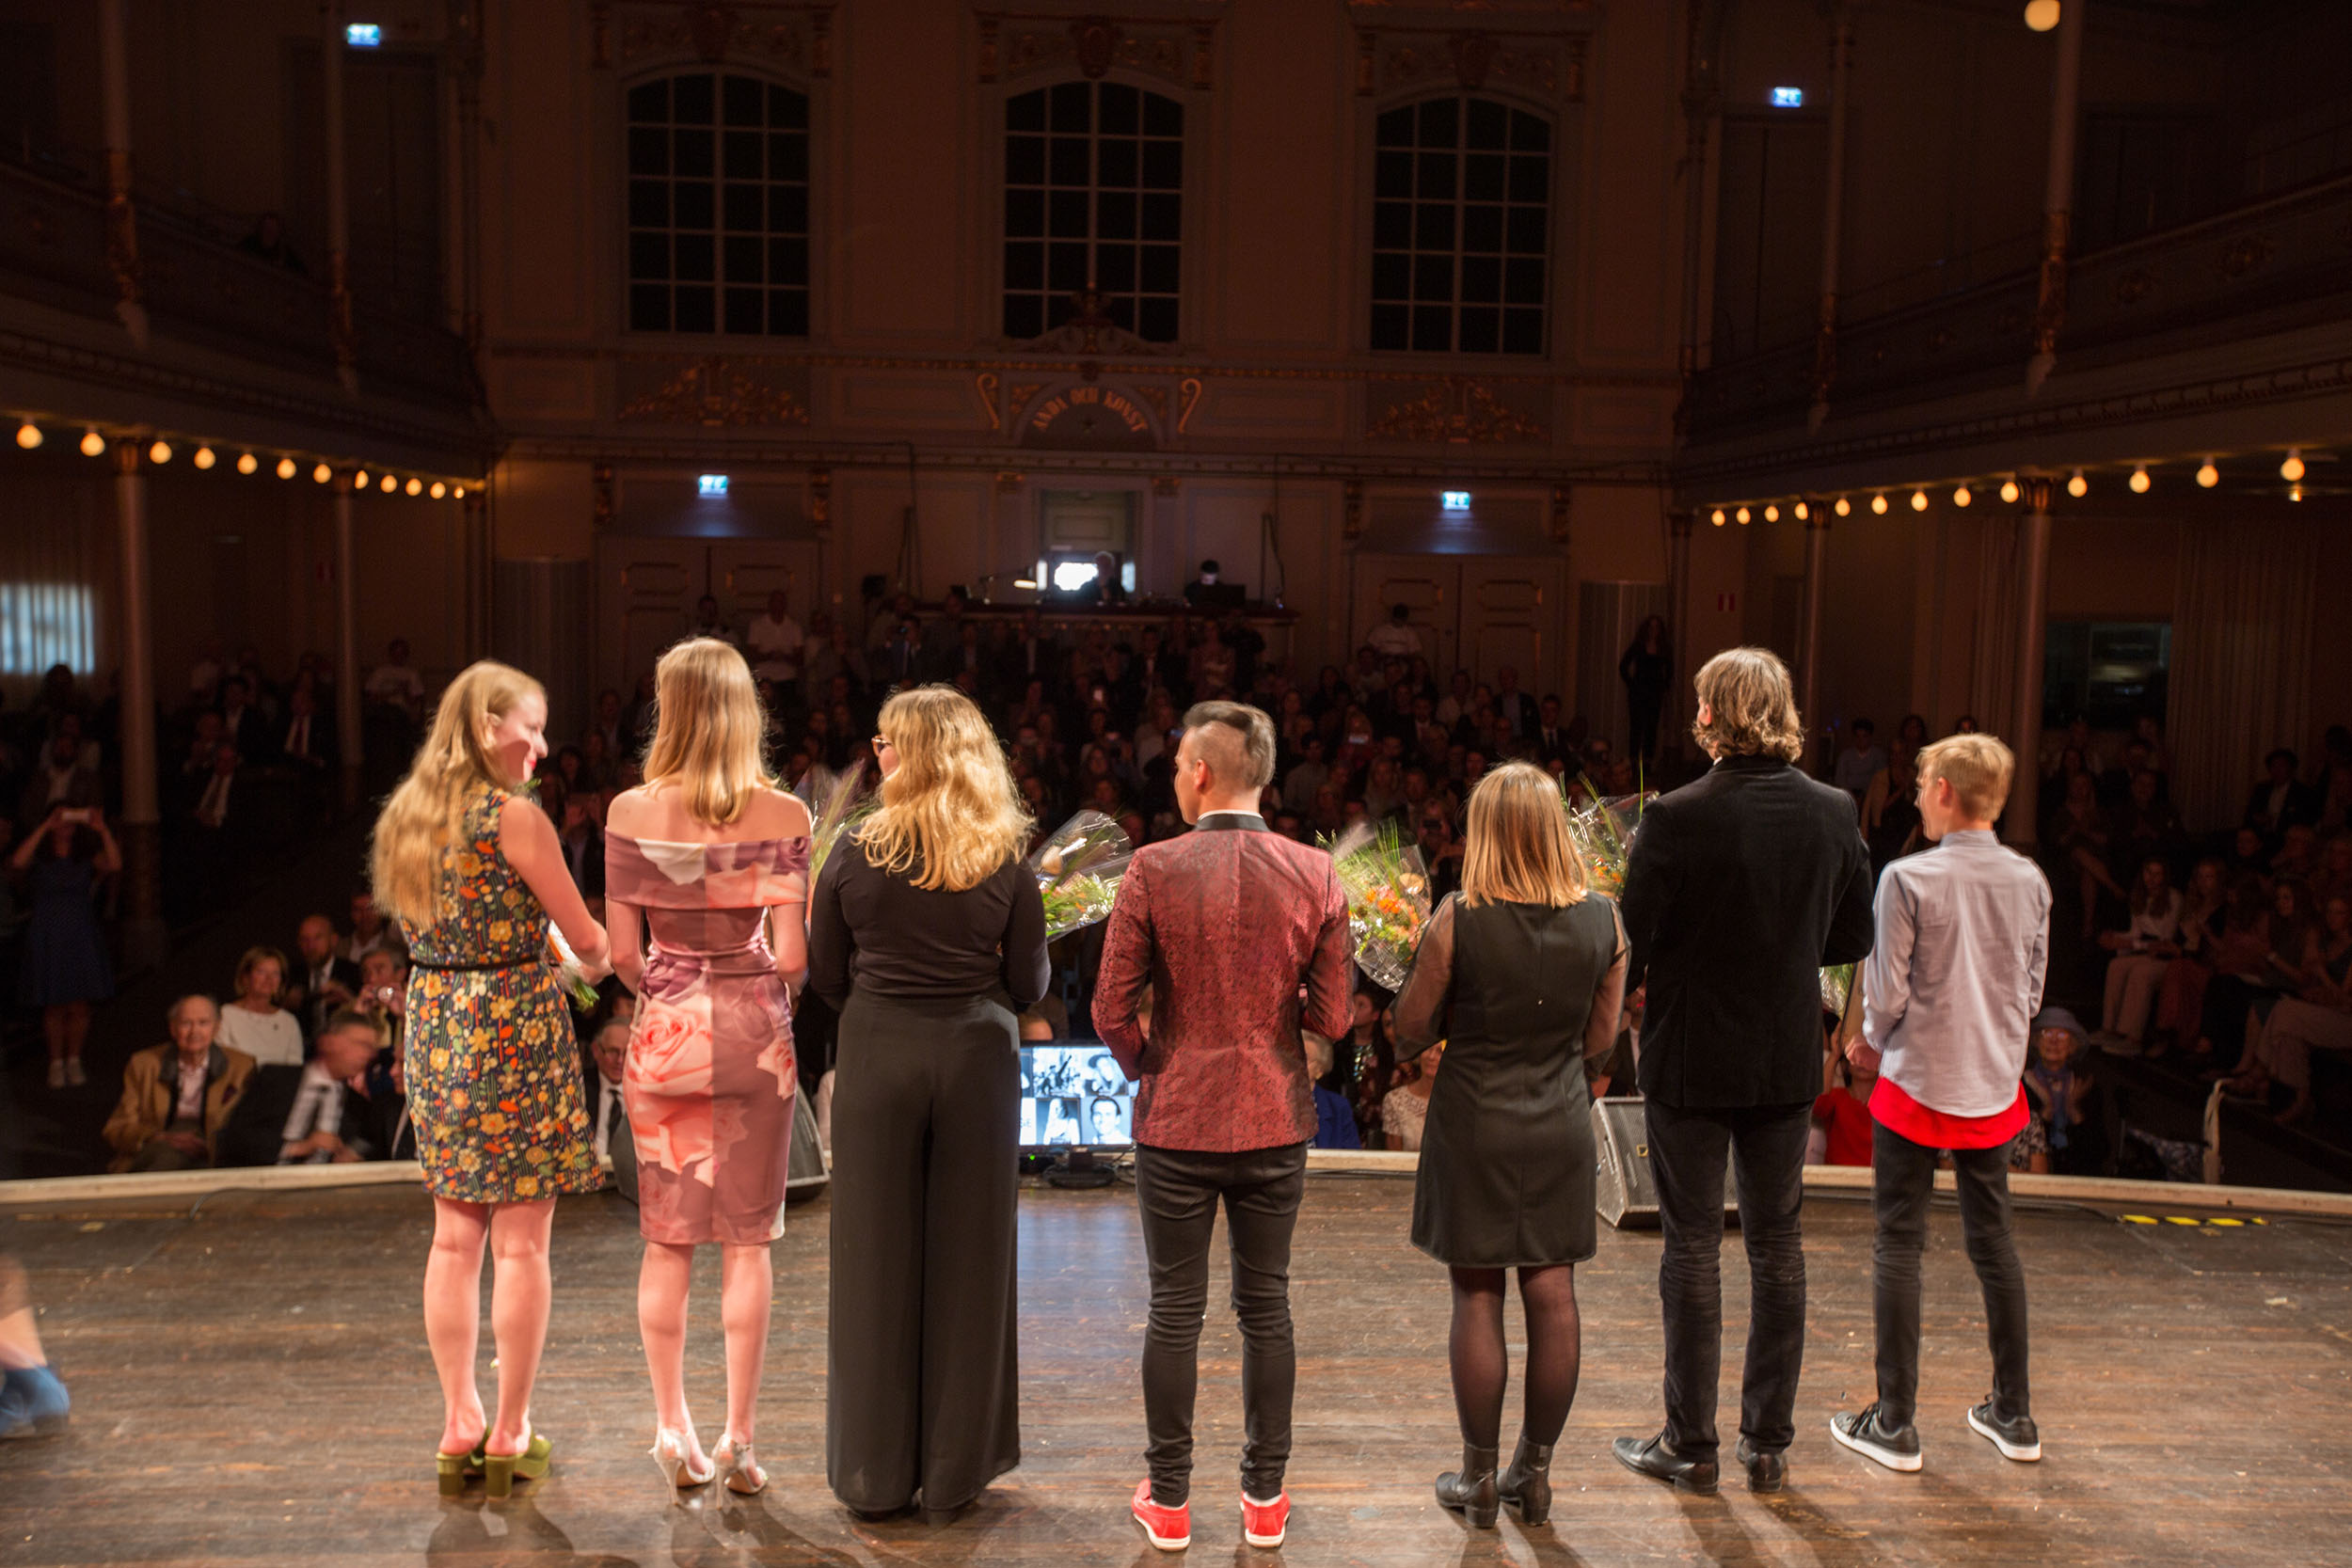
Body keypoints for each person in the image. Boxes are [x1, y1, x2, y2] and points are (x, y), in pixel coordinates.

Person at [1613, 647, 1875, 1496]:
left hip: (1691, 1052)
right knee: (1778, 1246)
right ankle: (1767, 1443)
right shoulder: (1835, 810)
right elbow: (1849, 940)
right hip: (1782, 1052)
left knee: (1692, 1245)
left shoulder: (1676, 814)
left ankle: (1690, 1445)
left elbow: (1635, 939)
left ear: (1711, 716)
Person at [1093, 701, 1353, 1554]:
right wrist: (1290, 1050)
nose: (1174, 776)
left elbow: (1108, 1009)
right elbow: (1337, 1016)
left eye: (1177, 764)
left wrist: (1149, 1064)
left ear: (1202, 772)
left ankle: (1169, 1501)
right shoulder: (1316, 871)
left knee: (1175, 1309)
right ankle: (1265, 1499)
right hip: (1275, 1116)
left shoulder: (1152, 868)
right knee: (1265, 1306)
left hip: (1177, 1118)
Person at [371, 659, 611, 1499]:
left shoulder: (405, 814)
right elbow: (588, 944)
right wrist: (599, 953)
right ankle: (508, 1429)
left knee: (452, 1238)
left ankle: (458, 1419)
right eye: (530, 727)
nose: (542, 746)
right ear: (484, 728)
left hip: (435, 1022)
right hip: (513, 1027)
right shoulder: (517, 819)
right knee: (520, 1242)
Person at [808, 685, 1048, 1522]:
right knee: (972, 1261)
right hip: (978, 1054)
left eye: (884, 743)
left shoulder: (851, 848)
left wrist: (886, 1014)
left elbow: (826, 974)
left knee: (873, 1260)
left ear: (909, 751)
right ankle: (954, 1474)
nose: (875, 756)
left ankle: (874, 1478)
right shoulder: (1006, 853)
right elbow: (1029, 983)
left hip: (878, 1052)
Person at [1388, 762, 1628, 1529]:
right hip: (1558, 1120)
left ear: (1486, 832)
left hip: (1474, 1122)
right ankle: (1537, 1472)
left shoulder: (1459, 915)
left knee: (1479, 1291)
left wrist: (1409, 967)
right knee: (1552, 1290)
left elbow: (1412, 1029)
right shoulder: (1606, 920)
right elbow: (1600, 1042)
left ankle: (1479, 1477)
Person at [604, 638, 813, 1497]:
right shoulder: (785, 815)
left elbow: (621, 954)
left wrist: (670, 980)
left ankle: (671, 1426)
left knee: (668, 1242)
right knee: (747, 1244)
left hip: (665, 1037)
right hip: (754, 1033)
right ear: (744, 710)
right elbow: (794, 956)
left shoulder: (628, 810)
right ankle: (740, 1442)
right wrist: (755, 988)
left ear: (669, 706)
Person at [1834, 733, 2049, 1474]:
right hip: (1991, 1085)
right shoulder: (2031, 882)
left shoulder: (1906, 878)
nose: (1917, 794)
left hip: (1919, 1081)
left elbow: (1887, 991)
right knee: (1995, 1245)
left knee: (1900, 1243)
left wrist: (1866, 1042)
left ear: (1947, 791)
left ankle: (1895, 1423)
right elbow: (2031, 991)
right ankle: (2014, 1414)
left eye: (1922, 783)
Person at [11, 804, 118, 1087]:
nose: (66, 826)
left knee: (80, 1004)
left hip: (79, 930)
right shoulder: (41, 855)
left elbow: (115, 865)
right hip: (49, 931)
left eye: (71, 820)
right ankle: (56, 1062)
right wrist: (45, 826)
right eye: (62, 820)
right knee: (54, 1003)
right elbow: (18, 862)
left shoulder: (85, 854)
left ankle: (74, 1058)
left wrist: (103, 830)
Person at [102, 996, 258, 1172]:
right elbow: (117, 1128)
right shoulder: (143, 1064)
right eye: (186, 1023)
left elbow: (250, 1127)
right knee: (166, 1157)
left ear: (217, 1027)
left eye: (203, 1023)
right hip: (156, 1150)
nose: (194, 1032)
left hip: (214, 1152)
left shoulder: (242, 1066)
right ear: (173, 1029)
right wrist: (158, 1137)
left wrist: (210, 1146)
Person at [2096, 858, 2181, 1050]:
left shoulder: (2173, 898)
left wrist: (2129, 943)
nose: (2151, 878)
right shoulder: (2139, 896)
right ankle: (2109, 1029)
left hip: (2165, 955)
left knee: (2140, 973)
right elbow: (2135, 932)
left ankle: (2132, 1037)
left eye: (2157, 874)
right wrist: (2114, 937)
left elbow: (2165, 939)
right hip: (2146, 950)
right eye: (2148, 873)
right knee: (2116, 966)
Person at [214, 945, 304, 1068]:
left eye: (275, 973)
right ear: (246, 977)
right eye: (261, 972)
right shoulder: (226, 1014)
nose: (269, 979)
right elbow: (221, 1061)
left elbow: (294, 1068)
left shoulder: (289, 1022)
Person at [288, 913, 363, 1041]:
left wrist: (348, 999)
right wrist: (286, 1005)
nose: (310, 946)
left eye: (317, 938)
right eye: (304, 939)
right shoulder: (291, 975)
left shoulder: (354, 972)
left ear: (333, 940)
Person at [1617, 615, 1672, 763]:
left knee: (1651, 730)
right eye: (1651, 627)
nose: (1654, 631)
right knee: (1636, 729)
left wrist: (1664, 687)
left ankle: (1647, 764)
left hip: (1654, 694)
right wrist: (1632, 684)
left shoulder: (1663, 648)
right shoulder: (1638, 646)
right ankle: (1634, 763)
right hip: (1638, 693)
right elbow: (1623, 666)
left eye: (1657, 627)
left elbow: (1670, 670)